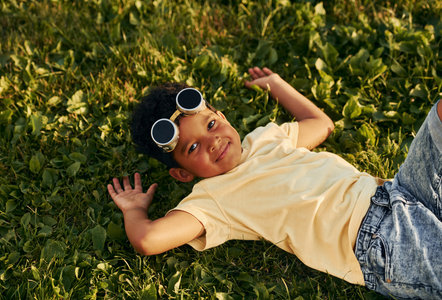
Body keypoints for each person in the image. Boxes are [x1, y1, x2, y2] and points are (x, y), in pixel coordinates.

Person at [107, 67, 442, 299]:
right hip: (376, 241)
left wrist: (276, 84)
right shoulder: (213, 200)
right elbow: (149, 240)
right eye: (192, 148)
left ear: (221, 116)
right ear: (182, 173)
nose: (212, 142)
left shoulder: (266, 138)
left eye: (210, 124)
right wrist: (134, 210)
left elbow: (320, 124)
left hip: (398, 192)